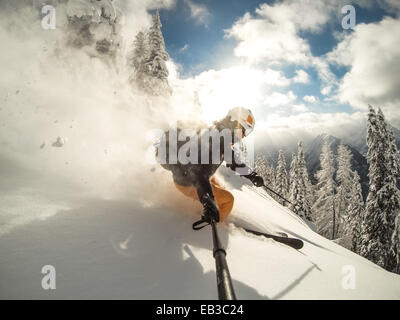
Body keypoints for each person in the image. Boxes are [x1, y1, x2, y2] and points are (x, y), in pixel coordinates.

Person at [156, 107, 264, 227]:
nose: (243, 137)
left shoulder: (219, 135)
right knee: (228, 200)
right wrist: (208, 201)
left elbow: (233, 161)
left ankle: (210, 208)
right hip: (188, 181)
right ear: (234, 125)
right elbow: (197, 173)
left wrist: (252, 176)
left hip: (197, 175)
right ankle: (215, 224)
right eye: (243, 132)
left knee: (219, 186)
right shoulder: (215, 142)